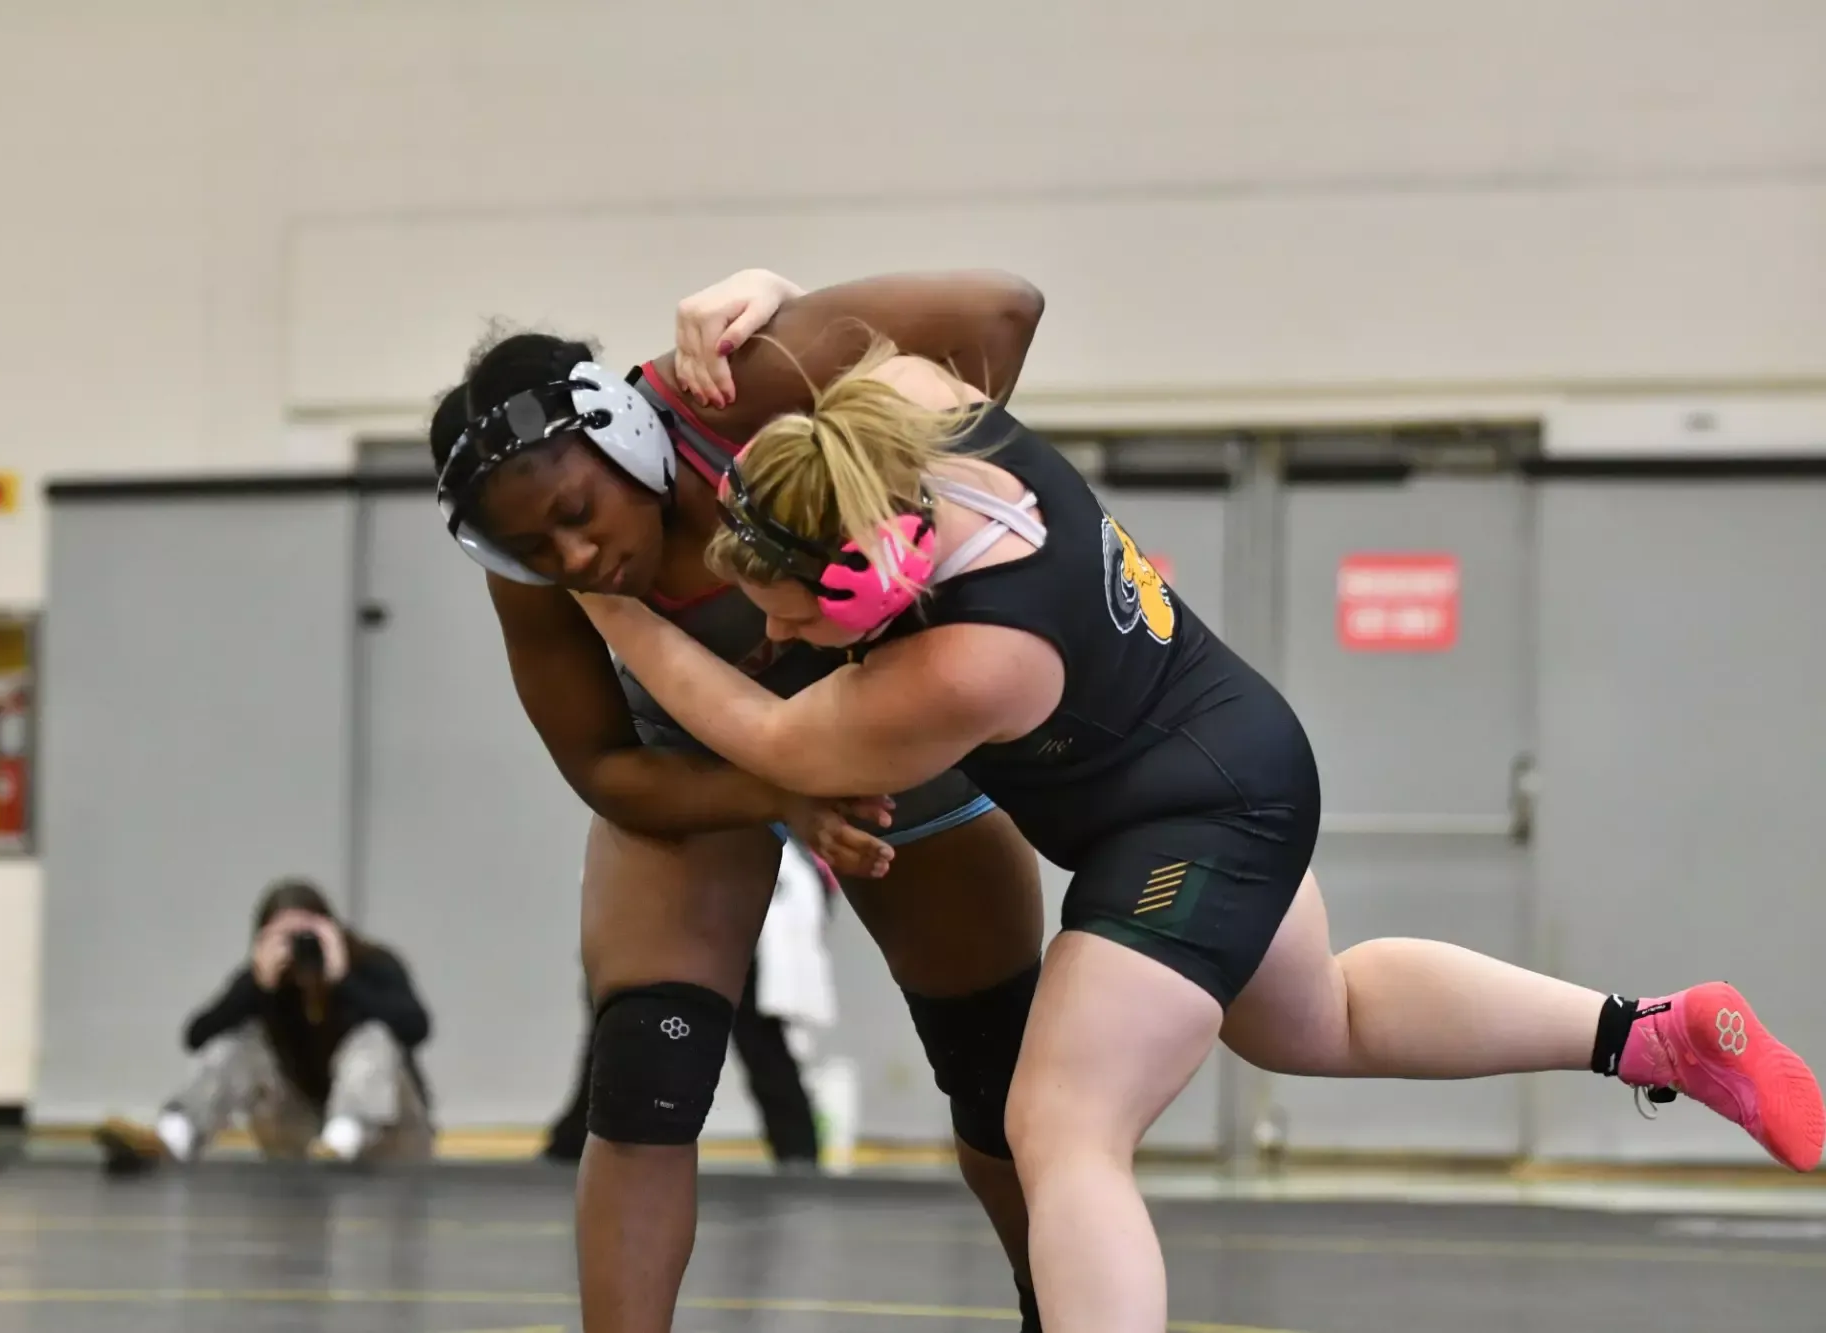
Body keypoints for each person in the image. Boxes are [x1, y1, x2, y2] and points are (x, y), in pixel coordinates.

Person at [567, 331, 1826, 1333]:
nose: (780, 642)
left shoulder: (973, 659)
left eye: (795, 622)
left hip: (1195, 816)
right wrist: (757, 292)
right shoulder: (922, 412)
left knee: (1057, 1129)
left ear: (868, 578)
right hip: (1231, 754)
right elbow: (885, 338)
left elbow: (775, 741)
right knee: (1312, 1018)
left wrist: (616, 618)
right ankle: (1654, 1035)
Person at [429, 268, 1050, 1333]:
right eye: (536, 549)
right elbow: (600, 766)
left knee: (1001, 1085)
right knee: (642, 1077)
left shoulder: (730, 396)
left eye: (577, 514)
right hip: (708, 765)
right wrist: (775, 788)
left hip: (887, 743)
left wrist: (798, 313)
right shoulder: (537, 575)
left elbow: (1004, 311)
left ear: (624, 430)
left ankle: (1065, 1306)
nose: (575, 557)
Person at [94, 878, 434, 1171]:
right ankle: (175, 1136)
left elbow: (415, 1028)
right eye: (285, 938)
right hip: (302, 1132)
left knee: (373, 1037)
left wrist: (342, 979)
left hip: (389, 1134)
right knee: (239, 1044)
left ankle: (344, 1139)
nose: (300, 950)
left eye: (308, 935)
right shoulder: (261, 986)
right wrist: (257, 987)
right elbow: (197, 1036)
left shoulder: (370, 965)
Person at [543, 834, 835, 1169]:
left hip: (729, 918)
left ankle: (798, 1151)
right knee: (614, 1037)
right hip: (653, 913)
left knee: (763, 1046)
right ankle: (570, 1143)